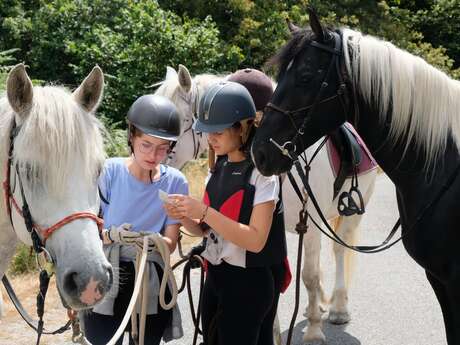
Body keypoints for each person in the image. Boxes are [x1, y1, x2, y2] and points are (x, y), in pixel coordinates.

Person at [165, 80, 289, 345]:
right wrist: (184, 214)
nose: (211, 138)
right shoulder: (217, 168)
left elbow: (255, 240)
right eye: (207, 131)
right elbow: (206, 230)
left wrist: (205, 212)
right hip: (217, 277)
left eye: (218, 132)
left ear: (242, 128)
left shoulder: (263, 175)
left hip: (250, 284)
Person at [83, 94, 188, 345]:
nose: (154, 155)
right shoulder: (108, 171)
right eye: (146, 145)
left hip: (150, 275)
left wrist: (149, 240)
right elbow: (92, 229)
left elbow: (171, 244)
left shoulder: (176, 182)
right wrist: (114, 236)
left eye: (163, 148)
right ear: (132, 137)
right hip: (109, 270)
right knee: (100, 338)